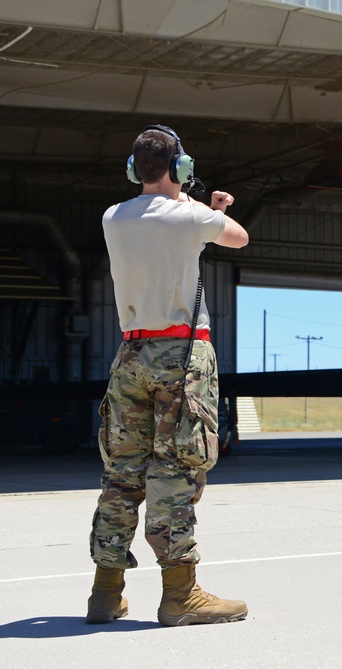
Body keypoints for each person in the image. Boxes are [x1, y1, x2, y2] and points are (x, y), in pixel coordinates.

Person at [86, 125, 250, 626]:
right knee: (176, 470)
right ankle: (180, 593)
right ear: (180, 169)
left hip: (131, 355)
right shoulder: (191, 216)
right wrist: (213, 208)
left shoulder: (113, 217)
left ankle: (105, 593)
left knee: (121, 475)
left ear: (135, 170)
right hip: (182, 355)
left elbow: (159, 223)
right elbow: (238, 238)